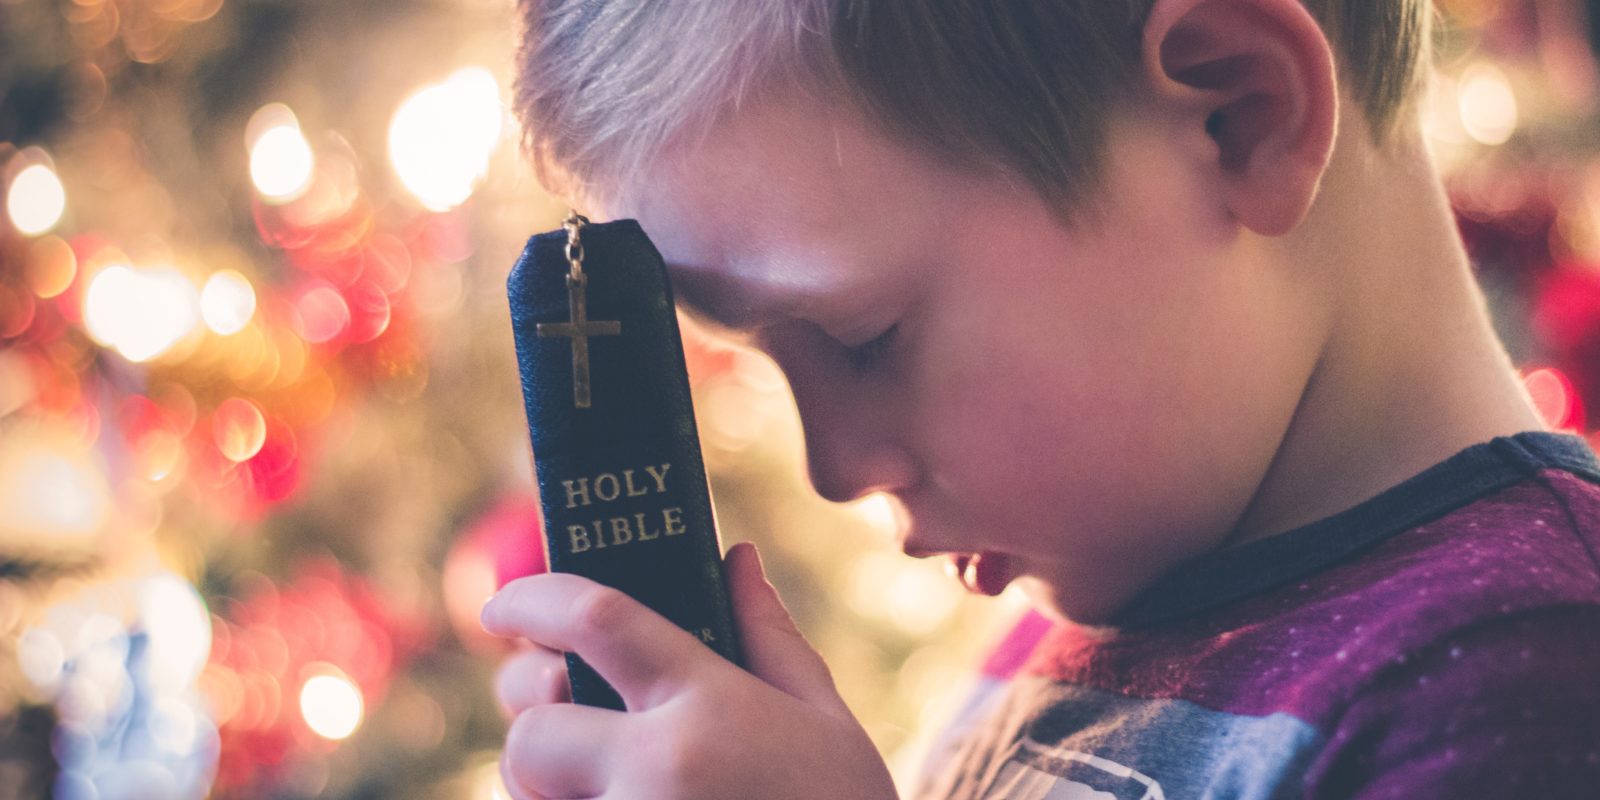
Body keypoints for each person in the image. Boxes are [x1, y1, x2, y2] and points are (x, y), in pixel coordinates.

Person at [479, 0, 1600, 797]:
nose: (833, 468)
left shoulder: (1524, 678)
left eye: (866, 339)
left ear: (1237, 116)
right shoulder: (1062, 635)